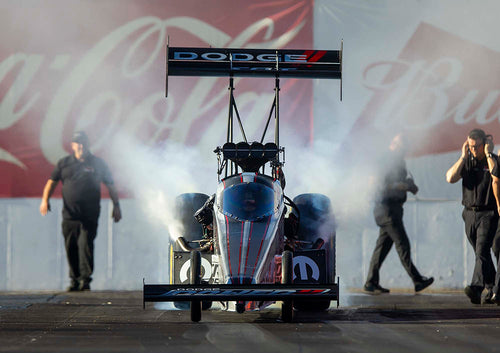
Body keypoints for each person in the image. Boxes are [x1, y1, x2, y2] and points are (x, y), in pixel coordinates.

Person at [39, 131, 122, 291]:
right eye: (78, 142)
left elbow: (111, 185)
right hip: (70, 214)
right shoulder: (64, 163)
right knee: (71, 246)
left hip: (90, 213)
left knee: (86, 245)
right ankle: (74, 280)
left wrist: (116, 206)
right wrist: (45, 200)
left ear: (88, 144)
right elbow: (52, 182)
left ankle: (85, 280)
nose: (81, 145)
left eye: (84, 142)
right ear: (73, 145)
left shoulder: (97, 163)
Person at [364, 133, 434, 294]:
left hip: (392, 210)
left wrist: (409, 186)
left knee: (382, 248)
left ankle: (371, 282)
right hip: (386, 210)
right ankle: (417, 280)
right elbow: (377, 185)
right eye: (399, 145)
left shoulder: (399, 163)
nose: (403, 148)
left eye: (404, 145)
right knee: (403, 245)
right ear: (392, 145)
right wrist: (400, 186)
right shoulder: (385, 161)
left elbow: (403, 184)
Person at [446, 128, 500, 304]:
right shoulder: (466, 161)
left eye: (476, 146)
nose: (473, 150)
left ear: (484, 145)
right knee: (481, 255)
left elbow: (496, 176)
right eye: (470, 146)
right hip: (469, 213)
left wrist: (489, 154)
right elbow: (450, 178)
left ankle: (476, 288)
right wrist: (463, 156)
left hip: (488, 213)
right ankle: (493, 287)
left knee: (482, 250)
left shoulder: (492, 160)